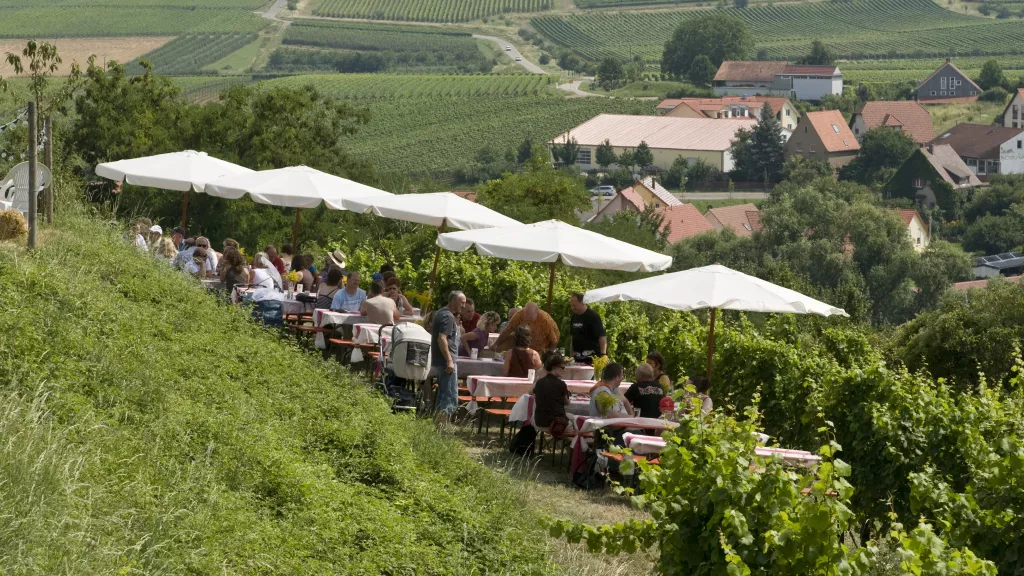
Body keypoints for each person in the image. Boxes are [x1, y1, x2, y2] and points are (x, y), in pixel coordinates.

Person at [431, 290, 466, 420]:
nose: (463, 306)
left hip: (442, 361)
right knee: (450, 397)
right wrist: (449, 360)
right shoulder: (447, 316)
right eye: (461, 302)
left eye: (465, 303)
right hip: (446, 362)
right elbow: (442, 338)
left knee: (443, 394)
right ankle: (442, 429)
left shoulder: (441, 313)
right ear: (452, 301)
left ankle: (437, 428)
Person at [493, 302, 560, 355]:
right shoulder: (519, 314)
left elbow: (555, 340)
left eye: (530, 318)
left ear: (537, 313)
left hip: (539, 349)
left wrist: (549, 354)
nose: (528, 321)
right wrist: (496, 344)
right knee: (501, 346)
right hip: (521, 347)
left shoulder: (546, 320)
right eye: (526, 317)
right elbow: (508, 330)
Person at [532, 350, 571, 432]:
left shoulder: (539, 382)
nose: (564, 370)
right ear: (554, 367)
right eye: (562, 367)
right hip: (556, 424)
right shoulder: (561, 384)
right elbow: (567, 402)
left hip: (539, 422)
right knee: (577, 423)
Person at [569, 293, 606, 365]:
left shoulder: (593, 316)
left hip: (592, 360)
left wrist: (603, 355)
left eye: (574, 305)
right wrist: (571, 354)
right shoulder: (574, 317)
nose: (572, 308)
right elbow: (572, 336)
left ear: (582, 303)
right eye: (571, 305)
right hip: (577, 359)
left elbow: (602, 336)